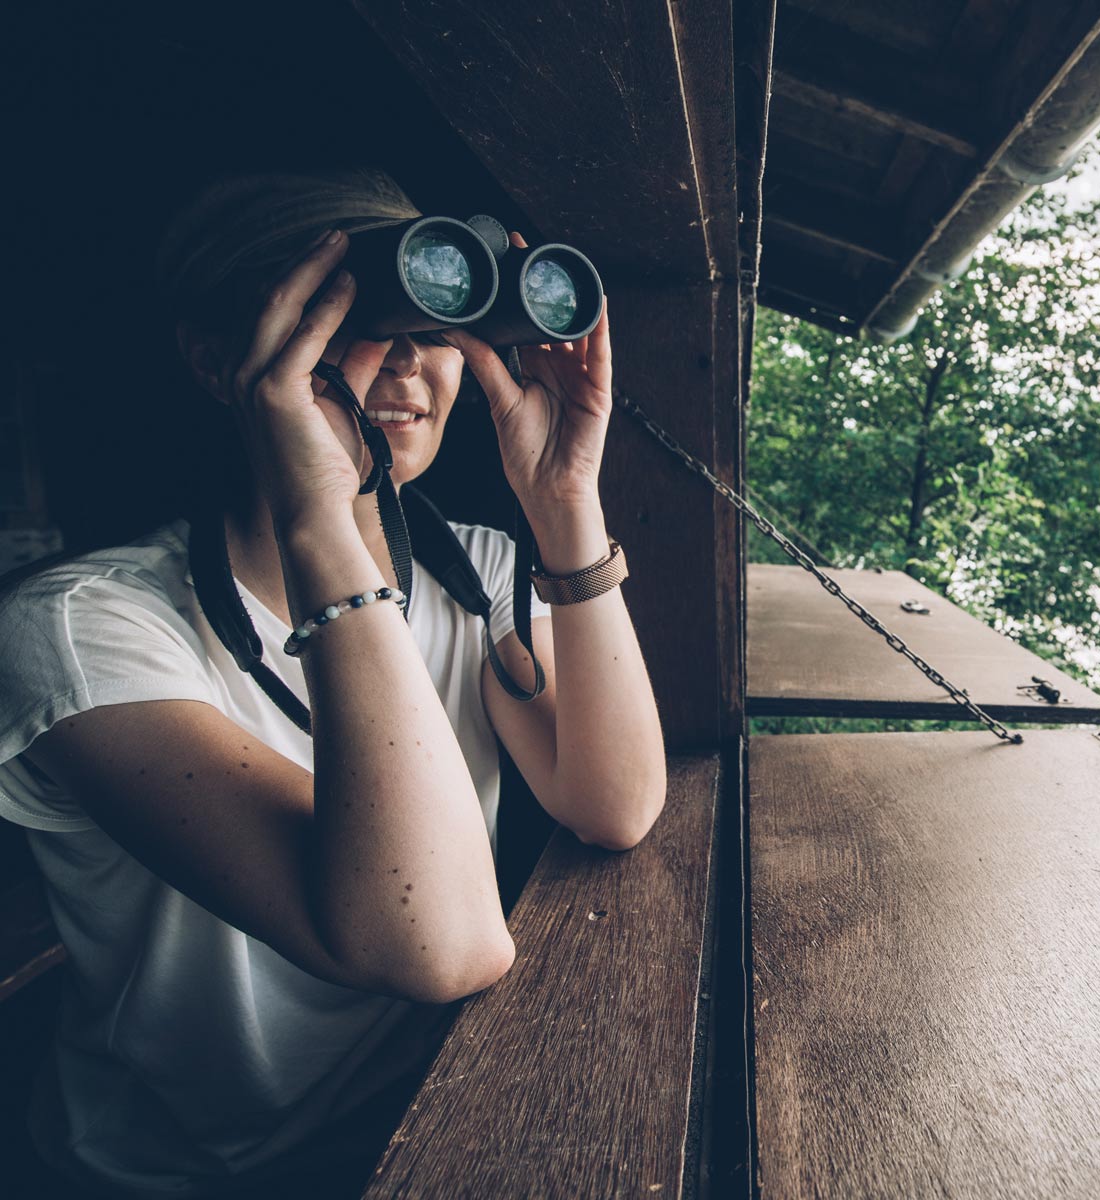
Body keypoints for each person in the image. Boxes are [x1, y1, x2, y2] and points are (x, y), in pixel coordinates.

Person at [0, 168, 667, 1196]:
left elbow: (613, 804)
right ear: (224, 363)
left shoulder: (470, 568)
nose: (409, 358)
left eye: (437, 325)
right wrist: (320, 513)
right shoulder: (86, 631)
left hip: (413, 1120)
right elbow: (437, 947)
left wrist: (565, 503)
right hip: (180, 1173)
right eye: (350, 317)